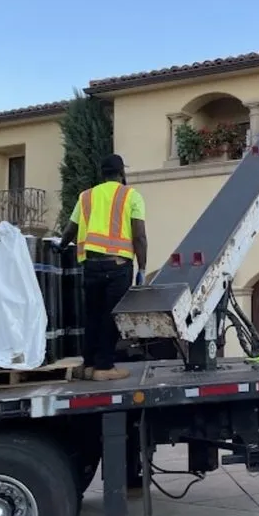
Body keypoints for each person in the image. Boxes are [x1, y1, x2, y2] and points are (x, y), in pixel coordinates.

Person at [59, 154, 148, 381]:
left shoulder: (86, 197)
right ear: (122, 173)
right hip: (117, 267)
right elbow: (139, 236)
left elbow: (70, 230)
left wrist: (60, 246)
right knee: (110, 318)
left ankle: (88, 365)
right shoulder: (131, 196)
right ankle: (105, 367)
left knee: (93, 316)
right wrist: (142, 268)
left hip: (90, 267)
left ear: (102, 173)